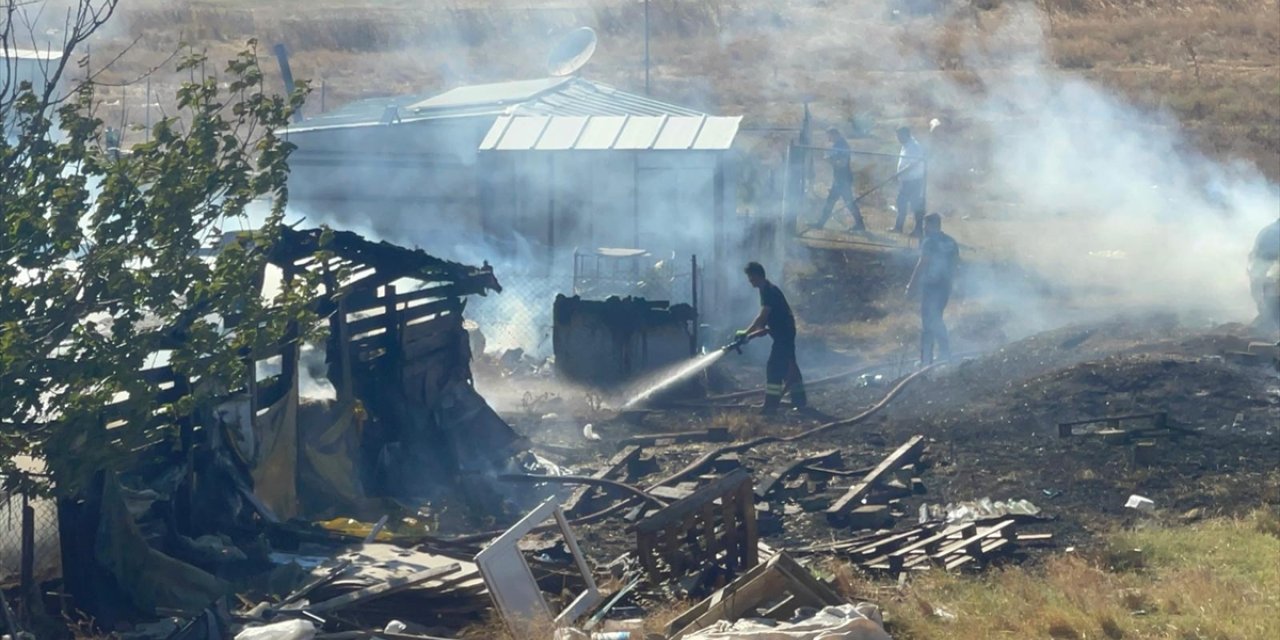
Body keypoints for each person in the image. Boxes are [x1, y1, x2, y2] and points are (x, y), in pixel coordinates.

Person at [742, 262, 807, 414]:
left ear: (757, 276)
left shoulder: (769, 291)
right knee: (790, 367)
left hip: (783, 335)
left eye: (751, 278)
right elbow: (766, 319)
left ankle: (770, 406)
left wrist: (746, 333)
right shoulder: (765, 290)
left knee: (774, 368)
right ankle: (800, 401)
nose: (749, 281)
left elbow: (763, 316)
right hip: (783, 333)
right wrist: (755, 332)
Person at [906, 213, 959, 365]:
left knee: (928, 321)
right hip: (945, 287)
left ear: (930, 225)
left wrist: (911, 285)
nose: (924, 228)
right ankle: (943, 353)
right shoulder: (951, 242)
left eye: (925, 225)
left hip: (931, 287)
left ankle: (926, 359)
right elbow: (955, 265)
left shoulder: (929, 242)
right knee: (937, 318)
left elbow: (922, 263)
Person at [812, 128, 866, 233]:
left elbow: (842, 163)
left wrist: (830, 161)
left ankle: (821, 223)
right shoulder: (838, 145)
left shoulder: (842, 145)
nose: (828, 138)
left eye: (829, 136)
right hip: (840, 179)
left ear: (834, 134)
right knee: (838, 202)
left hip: (843, 180)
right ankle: (820, 223)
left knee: (845, 203)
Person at [892, 126, 927, 235]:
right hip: (906, 180)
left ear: (906, 135)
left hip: (913, 181)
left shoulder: (913, 146)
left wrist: (899, 173)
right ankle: (898, 227)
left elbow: (913, 164)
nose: (898, 138)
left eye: (900, 135)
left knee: (915, 205)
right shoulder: (905, 145)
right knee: (901, 203)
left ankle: (918, 230)